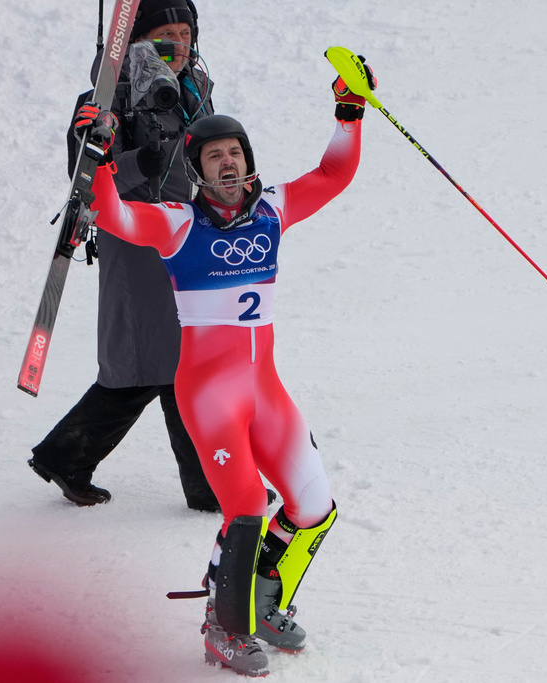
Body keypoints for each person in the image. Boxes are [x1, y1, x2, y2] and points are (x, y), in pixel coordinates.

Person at [74, 57, 375, 676]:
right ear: (197, 169)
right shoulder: (178, 223)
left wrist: (349, 111)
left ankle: (262, 603)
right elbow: (115, 216)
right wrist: (100, 157)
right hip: (209, 394)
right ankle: (222, 626)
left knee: (313, 505)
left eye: (235, 151)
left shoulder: (273, 211)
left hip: (265, 388)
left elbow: (334, 174)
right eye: (214, 156)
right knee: (244, 507)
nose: (228, 162)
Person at [28, 0, 222, 511]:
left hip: (190, 242)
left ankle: (65, 458)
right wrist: (139, 160)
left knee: (179, 365)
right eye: (164, 36)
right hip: (139, 247)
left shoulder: (194, 91)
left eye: (185, 34)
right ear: (135, 42)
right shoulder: (106, 101)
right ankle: (206, 486)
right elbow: (85, 182)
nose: (177, 46)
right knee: (153, 367)